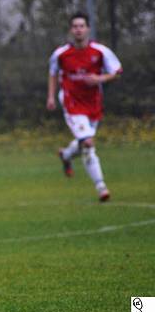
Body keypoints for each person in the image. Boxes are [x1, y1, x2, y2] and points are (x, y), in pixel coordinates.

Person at [47, 12, 122, 202]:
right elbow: (53, 73)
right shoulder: (61, 54)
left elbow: (117, 72)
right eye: (75, 26)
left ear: (87, 29)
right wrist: (51, 97)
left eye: (81, 26)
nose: (78, 30)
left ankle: (66, 154)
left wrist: (100, 78)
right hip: (72, 104)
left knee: (83, 143)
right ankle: (101, 187)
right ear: (70, 30)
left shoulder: (100, 51)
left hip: (93, 104)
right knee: (88, 143)